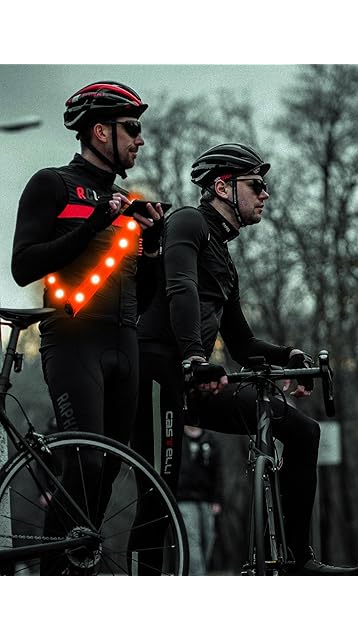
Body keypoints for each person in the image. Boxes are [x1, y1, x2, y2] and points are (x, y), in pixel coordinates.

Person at [134, 142, 358, 575]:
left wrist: (289, 356)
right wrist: (194, 358)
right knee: (158, 495)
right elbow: (180, 287)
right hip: (159, 372)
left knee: (303, 431)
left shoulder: (224, 257)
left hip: (197, 377)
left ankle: (297, 560)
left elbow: (241, 343)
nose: (265, 194)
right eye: (256, 185)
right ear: (223, 187)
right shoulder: (187, 222)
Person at [11, 81, 166, 574]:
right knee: (85, 463)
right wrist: (91, 225)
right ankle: (52, 578)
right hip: (73, 339)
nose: (140, 139)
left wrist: (154, 248)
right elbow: (23, 267)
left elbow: (144, 297)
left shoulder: (127, 201)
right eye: (132, 128)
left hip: (124, 340)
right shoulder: (52, 184)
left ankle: (75, 566)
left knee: (111, 468)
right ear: (100, 131)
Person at [176, 425, 224, 575]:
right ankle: (197, 576)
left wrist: (217, 499)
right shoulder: (177, 438)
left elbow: (218, 472)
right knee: (192, 540)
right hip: (184, 498)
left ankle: (198, 573)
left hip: (207, 500)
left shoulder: (210, 440)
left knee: (208, 539)